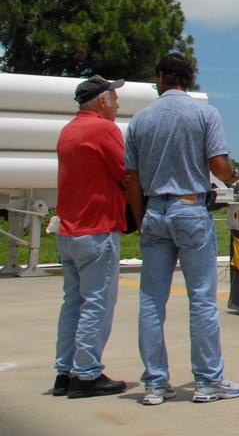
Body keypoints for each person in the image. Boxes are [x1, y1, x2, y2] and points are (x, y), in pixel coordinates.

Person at [124, 54, 239, 405]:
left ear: (161, 76)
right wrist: (232, 176)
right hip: (191, 208)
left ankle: (155, 384)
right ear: (188, 79)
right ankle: (207, 382)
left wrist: (139, 214)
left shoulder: (140, 121)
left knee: (151, 302)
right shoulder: (205, 114)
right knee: (202, 300)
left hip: (154, 211)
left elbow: (131, 177)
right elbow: (218, 164)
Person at [51, 76, 129, 399]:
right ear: (101, 101)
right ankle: (86, 373)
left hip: (69, 230)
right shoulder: (104, 130)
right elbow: (126, 172)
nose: (117, 102)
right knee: (98, 301)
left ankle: (65, 372)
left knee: (73, 302)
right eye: (114, 96)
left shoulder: (68, 131)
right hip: (97, 229)